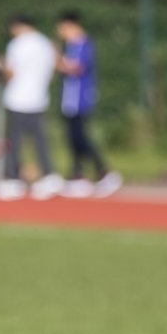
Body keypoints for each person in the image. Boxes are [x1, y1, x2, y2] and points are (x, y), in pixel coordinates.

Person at [0, 14, 65, 201]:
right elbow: (52, 71)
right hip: (39, 99)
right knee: (41, 141)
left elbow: (10, 72)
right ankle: (49, 176)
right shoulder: (46, 44)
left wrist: (1, 65)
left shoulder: (17, 45)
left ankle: (12, 179)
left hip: (17, 99)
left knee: (13, 142)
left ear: (17, 27)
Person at [54, 10, 122, 198]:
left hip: (80, 100)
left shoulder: (84, 44)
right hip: (68, 100)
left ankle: (105, 173)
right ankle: (77, 177)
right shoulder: (69, 46)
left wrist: (56, 59)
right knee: (72, 139)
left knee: (82, 138)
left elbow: (76, 68)